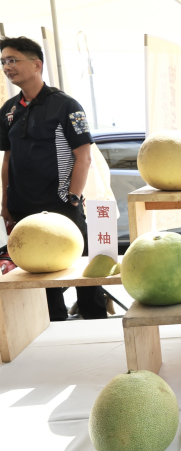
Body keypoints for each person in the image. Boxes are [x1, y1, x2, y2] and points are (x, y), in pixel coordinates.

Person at [0, 36, 107, 321]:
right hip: (24, 209)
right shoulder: (9, 109)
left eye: (13, 60)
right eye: (3, 62)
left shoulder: (66, 105)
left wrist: (72, 197)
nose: (7, 67)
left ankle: (95, 321)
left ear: (37, 65)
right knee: (38, 275)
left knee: (83, 268)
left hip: (61, 205)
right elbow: (7, 159)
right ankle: (53, 324)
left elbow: (83, 157)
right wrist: (5, 203)